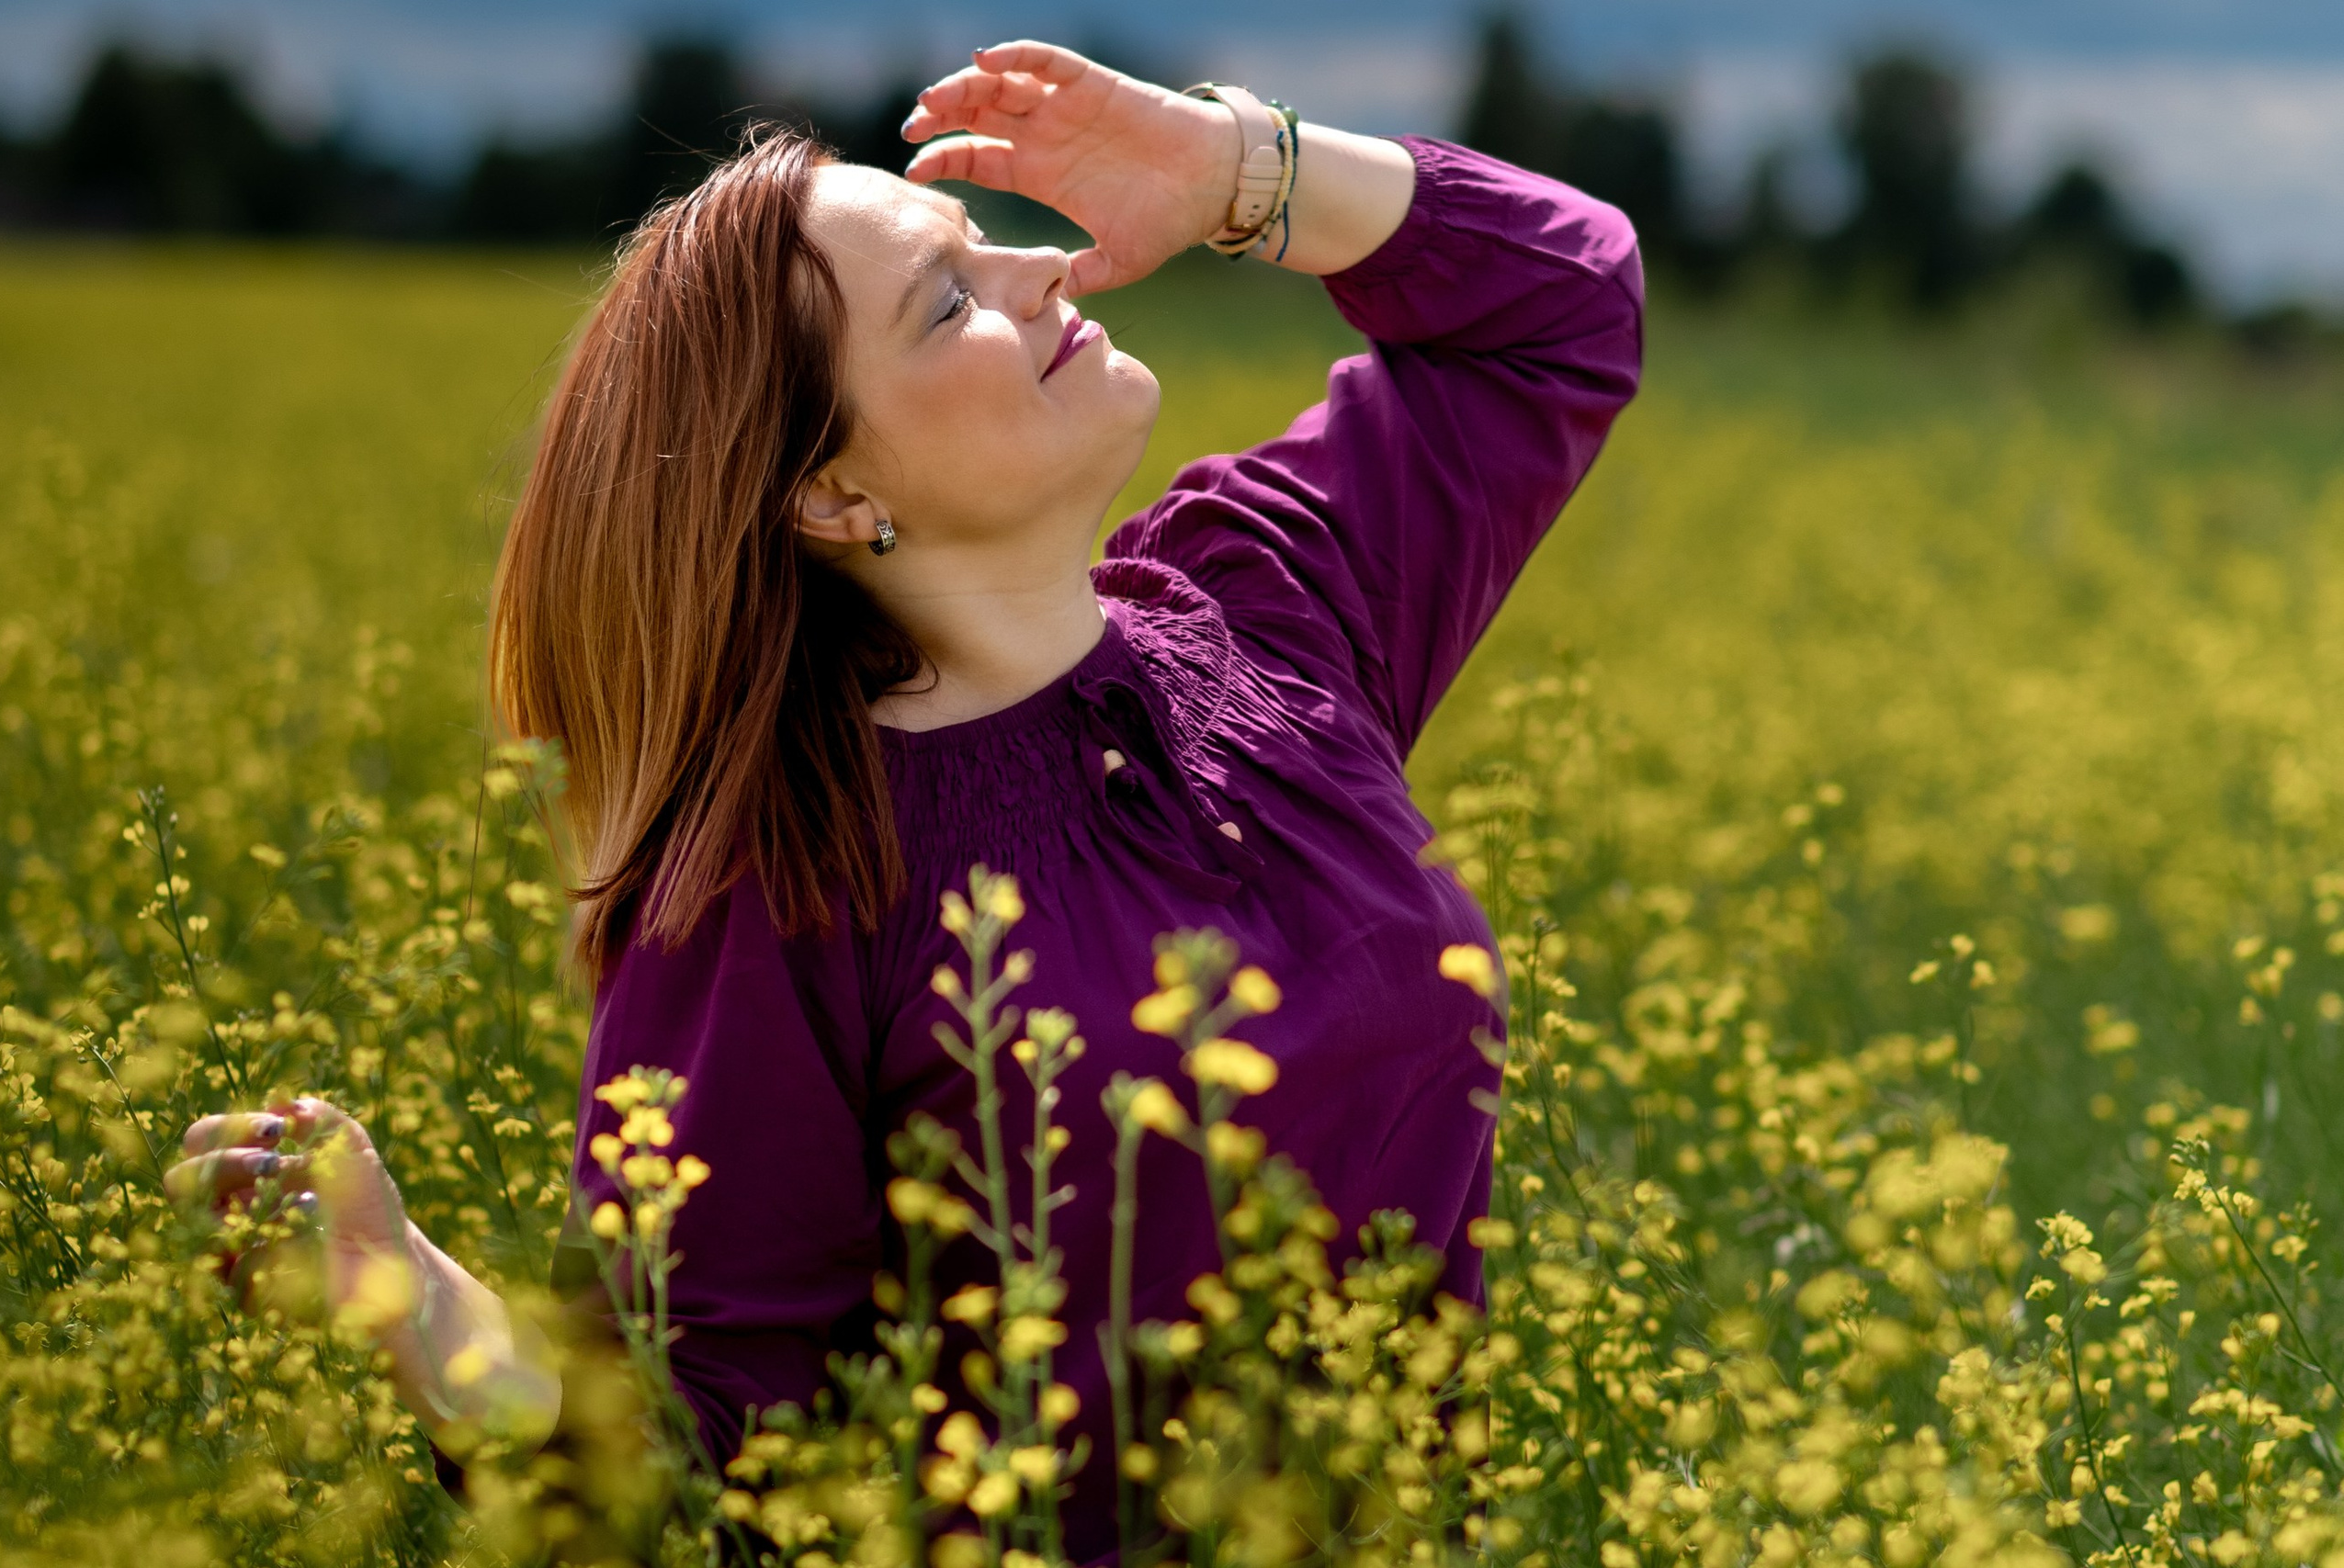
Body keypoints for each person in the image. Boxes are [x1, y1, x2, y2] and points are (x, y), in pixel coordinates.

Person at [165, 38, 1643, 1562]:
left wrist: (1229, 173)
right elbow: (686, 1436)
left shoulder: (1272, 602)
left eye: (990, 247)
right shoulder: (786, 884)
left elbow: (1566, 306)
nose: (1047, 275)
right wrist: (414, 1297)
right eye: (949, 299)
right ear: (829, 496)